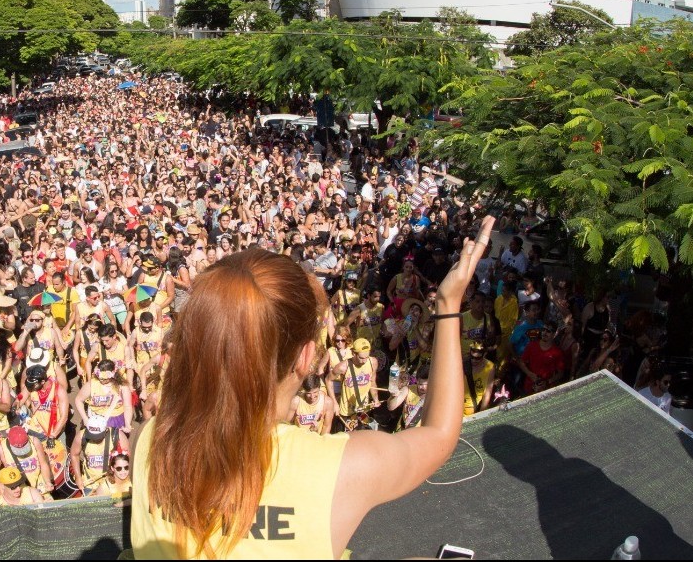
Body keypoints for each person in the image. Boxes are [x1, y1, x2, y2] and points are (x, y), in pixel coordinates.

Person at [132, 216, 494, 559]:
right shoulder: (342, 467)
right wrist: (448, 305)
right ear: (305, 358)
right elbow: (440, 434)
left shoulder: (149, 440)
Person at [518, 324, 567, 395]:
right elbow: (521, 362)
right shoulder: (531, 345)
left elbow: (560, 373)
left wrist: (547, 382)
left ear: (554, 334)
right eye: (543, 330)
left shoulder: (558, 352)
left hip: (546, 390)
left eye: (548, 331)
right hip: (529, 386)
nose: (545, 333)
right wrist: (530, 374)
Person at [463, 341, 496, 416]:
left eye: (477, 358)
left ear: (484, 354)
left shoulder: (490, 367)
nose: (474, 360)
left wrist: (481, 413)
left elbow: (488, 391)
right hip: (457, 405)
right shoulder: (463, 363)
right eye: (472, 357)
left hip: (472, 407)